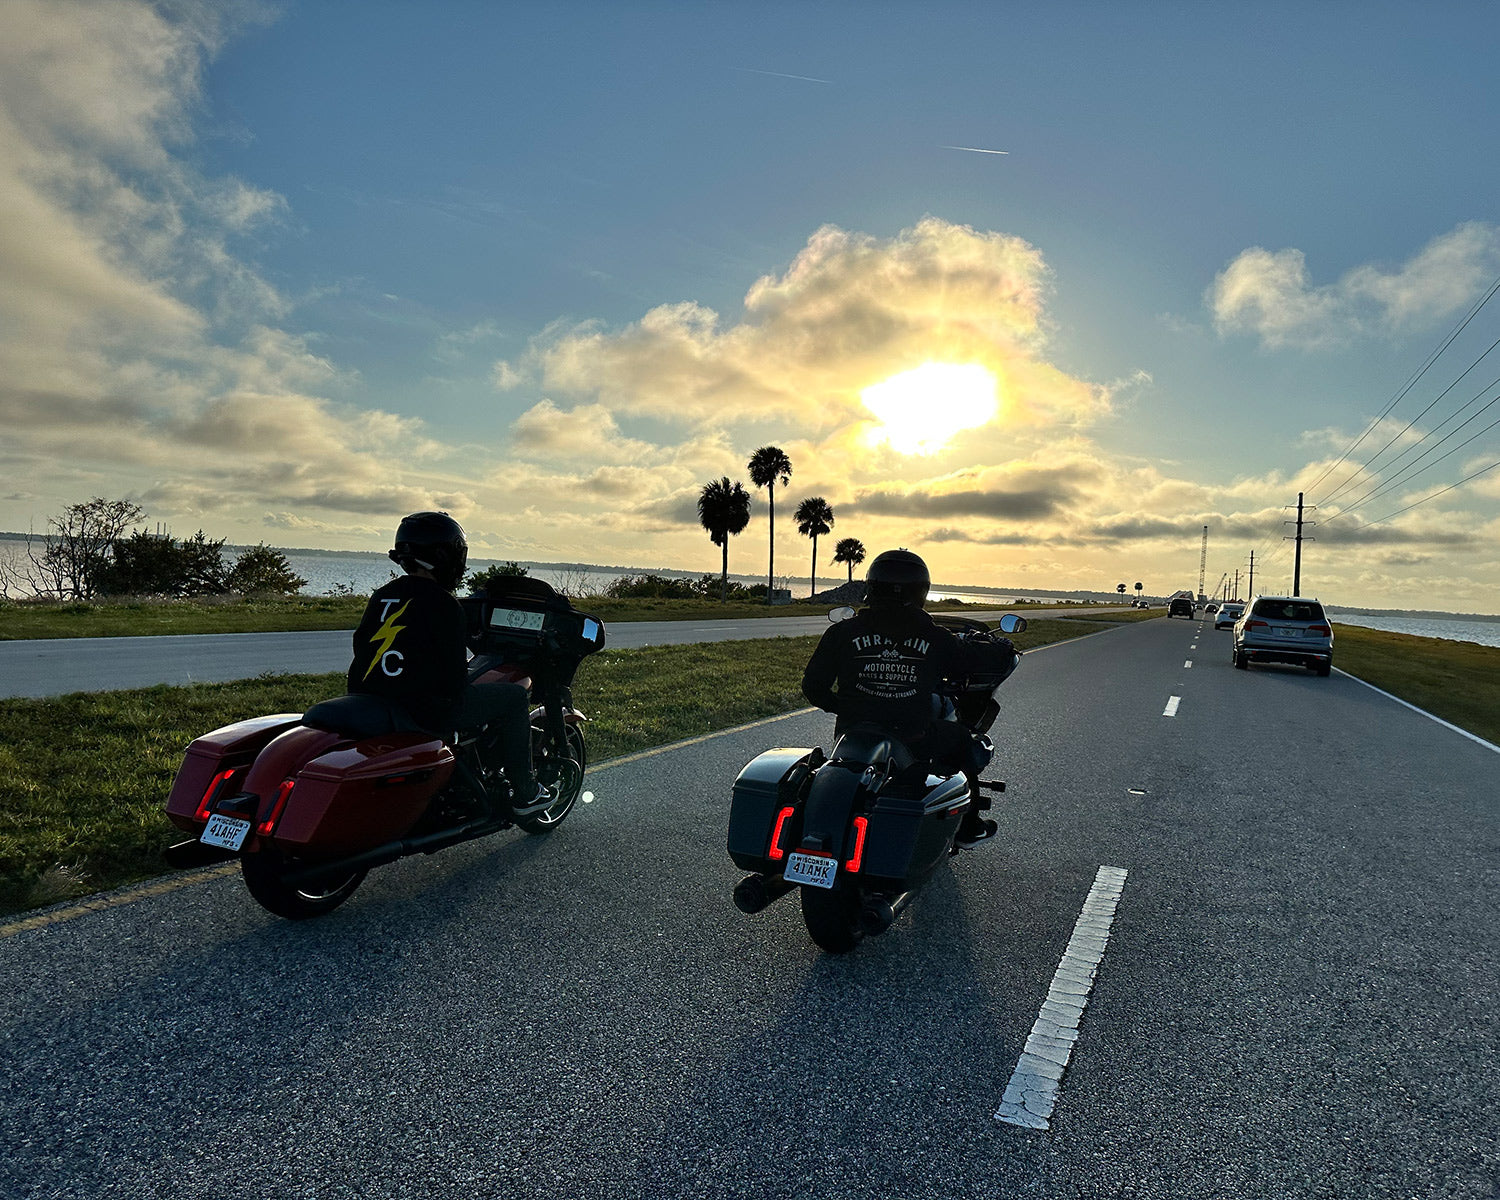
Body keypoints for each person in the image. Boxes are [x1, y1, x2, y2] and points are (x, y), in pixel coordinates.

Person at [347, 511, 550, 815]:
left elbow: (363, 646)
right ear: (445, 555)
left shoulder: (383, 596)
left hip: (372, 700)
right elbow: (454, 679)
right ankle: (527, 793)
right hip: (426, 709)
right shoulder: (443, 604)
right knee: (513, 697)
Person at [800, 548, 1001, 848]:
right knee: (962, 740)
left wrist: (848, 706)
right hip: (914, 735)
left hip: (853, 732)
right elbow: (967, 663)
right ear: (921, 590)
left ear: (872, 586)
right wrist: (996, 648)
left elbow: (813, 687)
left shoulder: (843, 632)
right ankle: (968, 828)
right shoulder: (935, 637)